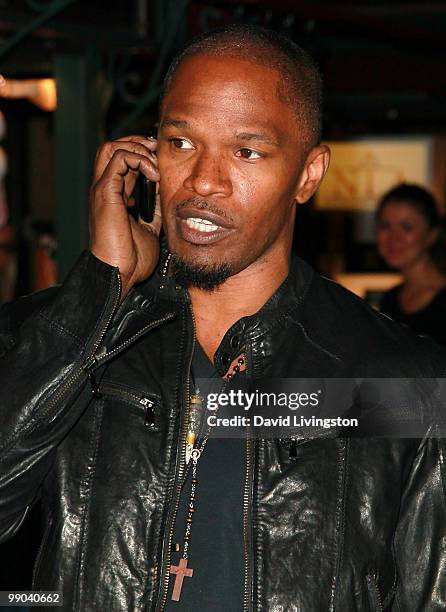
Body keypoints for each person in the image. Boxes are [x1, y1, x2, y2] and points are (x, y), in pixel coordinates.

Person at [1, 24, 446, 612]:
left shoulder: (398, 377)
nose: (203, 182)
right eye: (181, 143)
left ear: (308, 174)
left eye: (247, 151)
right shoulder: (61, 337)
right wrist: (95, 295)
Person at [376, 183, 446, 346]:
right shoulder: (390, 300)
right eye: (385, 226)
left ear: (432, 235)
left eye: (406, 227)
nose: (393, 238)